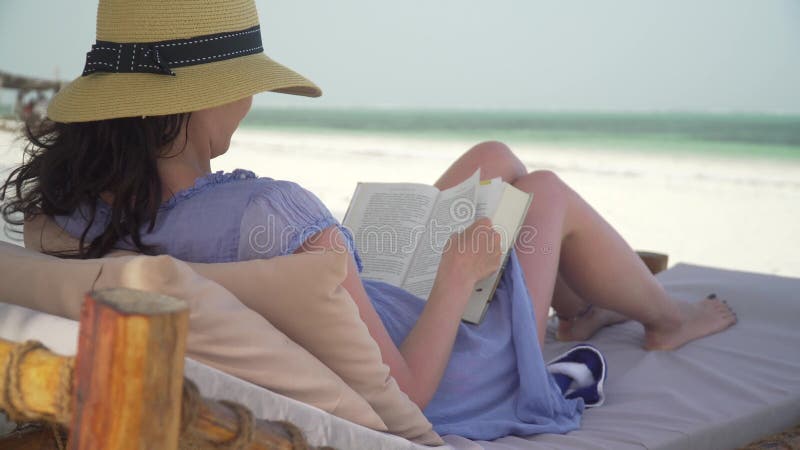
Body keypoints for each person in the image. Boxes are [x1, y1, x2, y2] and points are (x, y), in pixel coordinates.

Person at [0, 0, 736, 441]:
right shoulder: (271, 209)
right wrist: (457, 277)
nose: (249, 102)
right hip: (449, 367)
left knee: (492, 156)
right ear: (199, 100)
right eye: (243, 87)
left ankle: (574, 309)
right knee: (540, 191)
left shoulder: (73, 217)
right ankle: (667, 319)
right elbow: (405, 392)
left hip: (360, 314)